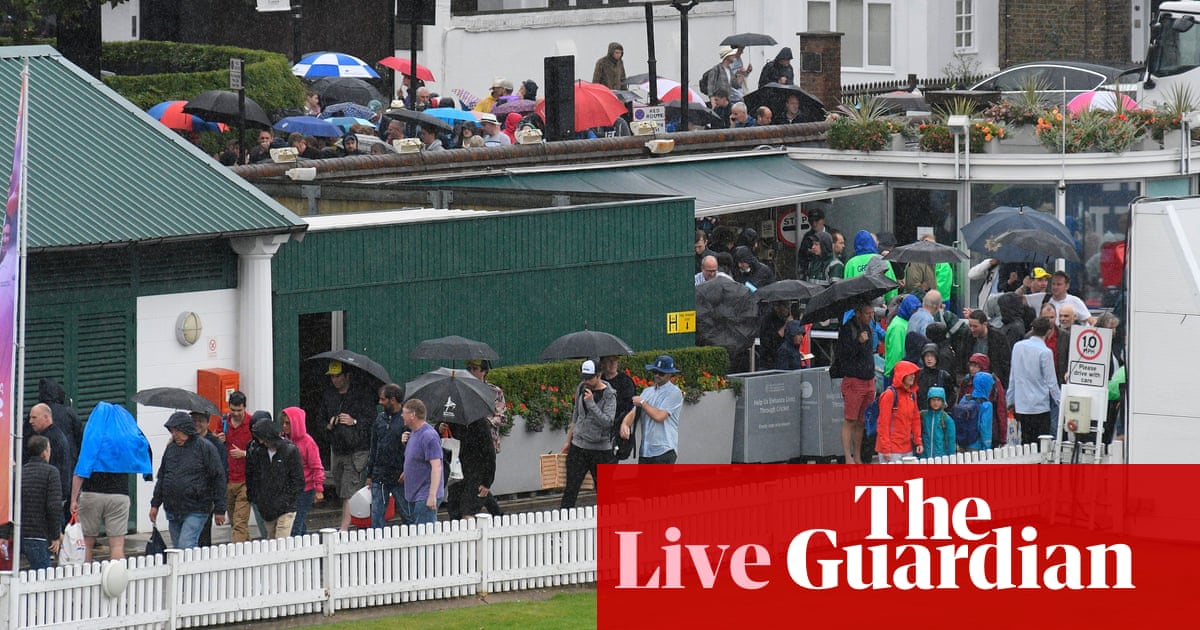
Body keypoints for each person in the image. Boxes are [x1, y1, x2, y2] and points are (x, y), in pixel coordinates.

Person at [150, 412, 227, 550]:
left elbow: (218, 477)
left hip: (197, 508)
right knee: (178, 549)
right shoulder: (171, 449)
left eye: (177, 431)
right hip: (173, 509)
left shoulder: (205, 447)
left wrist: (220, 508)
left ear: (186, 430)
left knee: (186, 546)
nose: (174, 435)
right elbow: (162, 477)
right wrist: (155, 504)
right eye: (172, 431)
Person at [319, 359, 377, 531]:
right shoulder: (329, 396)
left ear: (347, 376)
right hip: (337, 448)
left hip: (357, 449)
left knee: (348, 489)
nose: (335, 380)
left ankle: (344, 528)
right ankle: (353, 520)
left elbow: (370, 419)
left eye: (338, 376)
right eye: (332, 377)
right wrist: (329, 424)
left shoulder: (362, 395)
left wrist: (355, 421)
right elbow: (319, 420)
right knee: (340, 486)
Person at [560, 360, 615, 508]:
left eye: (590, 378)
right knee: (570, 489)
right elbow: (576, 416)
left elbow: (608, 422)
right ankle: (563, 525)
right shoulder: (582, 387)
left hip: (600, 450)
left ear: (599, 375)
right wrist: (568, 440)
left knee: (605, 492)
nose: (587, 381)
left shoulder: (609, 395)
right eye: (584, 377)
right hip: (579, 446)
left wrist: (591, 403)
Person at [245, 417, 304, 539]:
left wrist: (286, 499)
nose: (261, 442)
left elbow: (298, 480)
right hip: (267, 508)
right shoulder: (258, 453)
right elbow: (254, 477)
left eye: (262, 438)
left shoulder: (290, 451)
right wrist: (258, 499)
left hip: (286, 507)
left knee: (280, 543)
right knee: (271, 543)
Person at [621, 355, 684, 464]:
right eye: (655, 372)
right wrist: (625, 424)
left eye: (661, 373)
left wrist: (642, 403)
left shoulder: (675, 393)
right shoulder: (647, 391)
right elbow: (634, 412)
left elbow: (659, 416)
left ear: (670, 374)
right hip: (645, 451)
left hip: (664, 450)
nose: (657, 375)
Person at [1007, 316, 1061, 443]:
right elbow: (1051, 383)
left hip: (1021, 405)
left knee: (1025, 442)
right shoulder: (1045, 352)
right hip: (1040, 406)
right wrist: (1061, 403)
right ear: (1048, 331)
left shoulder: (1017, 347)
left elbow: (1013, 377)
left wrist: (1009, 400)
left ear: (1032, 329)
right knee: (1040, 445)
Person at [838, 302, 878, 464]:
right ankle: (848, 457)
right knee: (850, 420)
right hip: (854, 379)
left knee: (862, 421)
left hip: (868, 379)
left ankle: (858, 456)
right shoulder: (848, 329)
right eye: (868, 313)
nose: (871, 316)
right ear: (858, 313)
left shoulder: (868, 328)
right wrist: (858, 343)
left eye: (872, 313)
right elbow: (843, 355)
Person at [213, 390, 253, 543]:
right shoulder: (222, 422)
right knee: (235, 522)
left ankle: (237, 554)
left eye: (239, 410)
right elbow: (214, 448)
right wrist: (218, 439)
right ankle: (248, 551)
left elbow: (259, 450)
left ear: (245, 408)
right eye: (233, 410)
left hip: (245, 480)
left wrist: (244, 453)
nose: (236, 414)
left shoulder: (251, 423)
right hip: (228, 479)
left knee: (240, 522)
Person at [367, 383, 409, 528]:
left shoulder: (407, 419)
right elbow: (374, 447)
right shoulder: (379, 419)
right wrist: (370, 474)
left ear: (392, 400)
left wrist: (407, 469)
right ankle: (377, 546)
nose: (380, 402)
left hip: (400, 475)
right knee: (377, 515)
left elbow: (414, 449)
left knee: (407, 514)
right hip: (380, 475)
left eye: (383, 399)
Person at [26, 402, 75, 525]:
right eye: (30, 417)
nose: (30, 421)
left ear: (46, 417)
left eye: (34, 418)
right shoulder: (53, 435)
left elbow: (56, 469)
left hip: (53, 497)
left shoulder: (51, 439)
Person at [281, 407, 324, 536]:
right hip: (289, 488)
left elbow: (316, 466)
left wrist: (319, 489)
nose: (284, 426)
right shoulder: (282, 440)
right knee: (298, 522)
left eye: (288, 423)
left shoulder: (308, 443)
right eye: (283, 423)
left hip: (306, 489)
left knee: (296, 523)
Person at [21, 436, 62, 570]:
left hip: (19, 534)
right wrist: (55, 535)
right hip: (40, 534)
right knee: (42, 579)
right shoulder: (51, 472)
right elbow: (54, 506)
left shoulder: (20, 473)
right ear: (45, 452)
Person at [401, 399, 443, 525]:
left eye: (404, 413)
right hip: (413, 493)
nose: (402, 415)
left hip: (424, 494)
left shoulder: (429, 436)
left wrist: (432, 495)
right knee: (418, 535)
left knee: (425, 538)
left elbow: (437, 466)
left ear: (412, 415)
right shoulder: (414, 433)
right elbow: (416, 457)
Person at [875, 360, 923, 462]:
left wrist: (918, 441)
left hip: (906, 447)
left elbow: (915, 419)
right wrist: (886, 448)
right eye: (909, 374)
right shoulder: (889, 395)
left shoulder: (912, 394)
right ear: (901, 375)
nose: (913, 376)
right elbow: (883, 424)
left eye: (914, 374)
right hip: (891, 449)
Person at [191, 411, 227, 547]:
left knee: (203, 534)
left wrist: (219, 506)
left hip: (207, 496)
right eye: (194, 420)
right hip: (188, 496)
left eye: (200, 420)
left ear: (207, 422)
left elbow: (221, 474)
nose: (197, 424)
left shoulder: (216, 444)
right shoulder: (185, 442)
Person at [956, 310, 1012, 388]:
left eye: (975, 326)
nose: (972, 329)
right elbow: (961, 358)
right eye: (970, 326)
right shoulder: (967, 336)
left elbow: (1005, 363)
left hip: (991, 383)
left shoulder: (998, 338)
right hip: (971, 382)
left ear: (984, 324)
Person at [38, 377, 81, 457]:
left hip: (44, 459)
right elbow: (79, 435)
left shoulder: (36, 413)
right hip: (68, 458)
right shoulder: (69, 413)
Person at [884, 294, 921, 376]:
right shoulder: (899, 327)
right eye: (914, 311)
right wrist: (896, 374)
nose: (916, 313)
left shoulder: (904, 322)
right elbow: (896, 353)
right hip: (895, 374)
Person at [916, 343, 956, 411]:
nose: (929, 359)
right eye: (927, 356)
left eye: (932, 356)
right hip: (921, 412)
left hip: (938, 413)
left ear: (936, 358)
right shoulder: (918, 374)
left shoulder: (944, 375)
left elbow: (951, 394)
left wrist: (946, 406)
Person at [919, 387, 956, 459]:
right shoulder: (923, 415)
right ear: (929, 401)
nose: (936, 403)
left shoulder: (946, 419)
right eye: (933, 400)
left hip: (941, 457)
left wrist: (951, 457)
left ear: (943, 401)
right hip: (924, 456)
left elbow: (951, 440)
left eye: (939, 400)